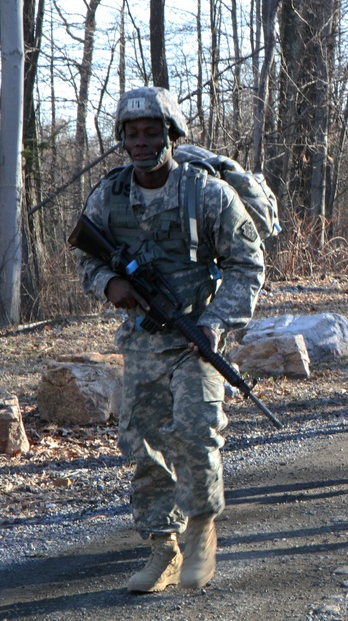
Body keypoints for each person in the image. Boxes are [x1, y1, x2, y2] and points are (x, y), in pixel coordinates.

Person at [75, 87, 265, 593]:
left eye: (152, 132)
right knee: (140, 442)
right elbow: (85, 255)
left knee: (196, 433)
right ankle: (164, 546)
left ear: (172, 135)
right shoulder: (109, 195)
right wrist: (108, 284)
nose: (141, 142)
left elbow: (249, 264)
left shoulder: (205, 193)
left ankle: (202, 525)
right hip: (141, 341)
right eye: (132, 133)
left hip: (195, 336)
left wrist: (216, 324)